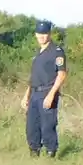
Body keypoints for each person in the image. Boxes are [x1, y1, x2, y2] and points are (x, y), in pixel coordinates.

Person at [23, 19, 68, 157]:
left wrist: (52, 94)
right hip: (35, 93)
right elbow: (33, 77)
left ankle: (50, 153)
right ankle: (34, 152)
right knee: (32, 126)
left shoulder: (56, 51)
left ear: (50, 34)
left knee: (48, 126)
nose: (42, 36)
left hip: (47, 92)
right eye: (40, 33)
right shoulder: (37, 52)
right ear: (36, 34)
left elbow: (62, 74)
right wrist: (26, 95)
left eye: (45, 33)